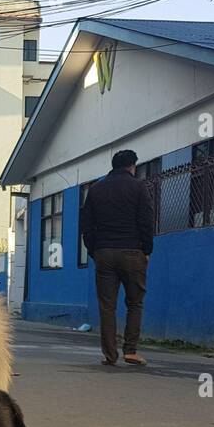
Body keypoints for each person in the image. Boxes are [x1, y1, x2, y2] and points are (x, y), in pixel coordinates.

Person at [80, 149, 154, 366]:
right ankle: (130, 351)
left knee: (107, 306)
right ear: (132, 166)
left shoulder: (96, 189)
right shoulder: (139, 187)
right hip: (133, 252)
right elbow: (146, 220)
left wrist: (94, 250)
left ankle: (109, 355)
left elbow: (87, 225)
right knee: (135, 303)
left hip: (104, 252)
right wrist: (147, 250)